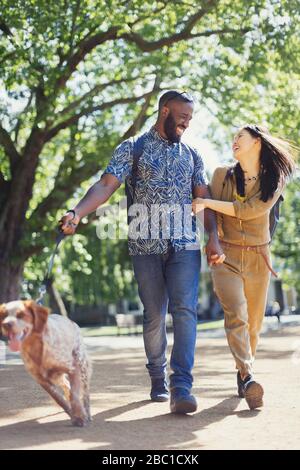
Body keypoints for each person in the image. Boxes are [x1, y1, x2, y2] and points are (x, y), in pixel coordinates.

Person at [59, 90, 225, 414]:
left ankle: (182, 386)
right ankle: (157, 375)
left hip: (184, 244)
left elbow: (202, 199)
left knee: (185, 310)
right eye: (183, 117)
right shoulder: (132, 148)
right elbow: (106, 185)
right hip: (145, 245)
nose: (187, 124)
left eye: (190, 119)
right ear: (165, 111)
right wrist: (77, 212)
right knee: (153, 316)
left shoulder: (192, 154)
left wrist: (213, 237)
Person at [192, 124, 295, 410]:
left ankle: (242, 371)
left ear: (257, 142)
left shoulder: (275, 179)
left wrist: (205, 201)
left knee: (254, 326)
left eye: (241, 136)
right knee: (236, 314)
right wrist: (213, 241)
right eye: (233, 137)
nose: (234, 141)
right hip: (226, 256)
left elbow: (250, 211)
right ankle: (249, 377)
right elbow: (211, 214)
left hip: (259, 259)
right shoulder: (221, 175)